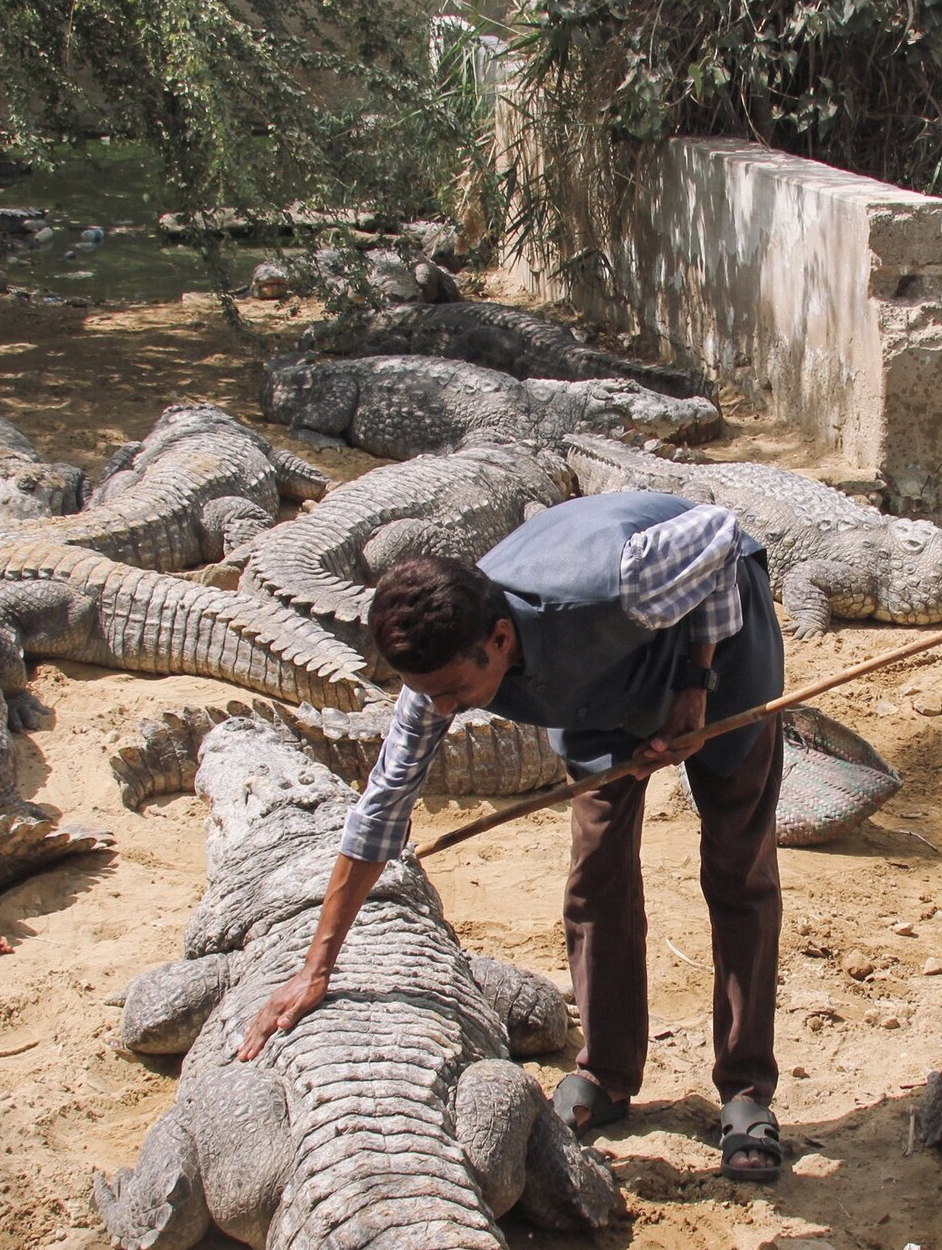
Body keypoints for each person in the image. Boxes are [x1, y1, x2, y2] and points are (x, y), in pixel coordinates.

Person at [237, 489, 790, 1180]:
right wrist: (316, 969)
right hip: (599, 694)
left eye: (451, 691)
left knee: (737, 867)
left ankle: (744, 1090)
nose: (440, 709)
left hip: (721, 655)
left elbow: (717, 535)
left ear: (498, 640)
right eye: (426, 693)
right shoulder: (438, 665)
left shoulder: (620, 580)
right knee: (596, 877)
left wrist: (694, 680)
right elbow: (381, 811)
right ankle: (609, 1074)